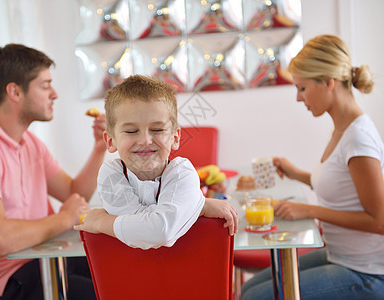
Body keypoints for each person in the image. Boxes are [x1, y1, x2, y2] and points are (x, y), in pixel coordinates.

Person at [0, 44, 106, 300]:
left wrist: (99, 149)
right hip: (5, 284)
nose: (55, 94)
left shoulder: (29, 143)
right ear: (15, 91)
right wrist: (64, 218)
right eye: (45, 85)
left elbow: (73, 194)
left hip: (42, 260)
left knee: (122, 268)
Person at [241, 34, 384, 299]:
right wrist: (296, 174)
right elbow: (345, 186)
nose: (298, 98)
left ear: (329, 82)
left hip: (368, 272)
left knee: (254, 297)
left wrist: (308, 210)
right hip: (340, 255)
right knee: (248, 289)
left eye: (302, 88)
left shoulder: (358, 138)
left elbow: (379, 220)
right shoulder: (343, 129)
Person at [74, 75, 238, 249]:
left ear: (175, 138)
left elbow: (160, 231)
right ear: (110, 141)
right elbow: (148, 231)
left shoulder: (182, 172)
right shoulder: (111, 175)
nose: (145, 140)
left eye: (157, 129)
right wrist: (196, 208)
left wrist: (102, 222)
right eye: (131, 131)